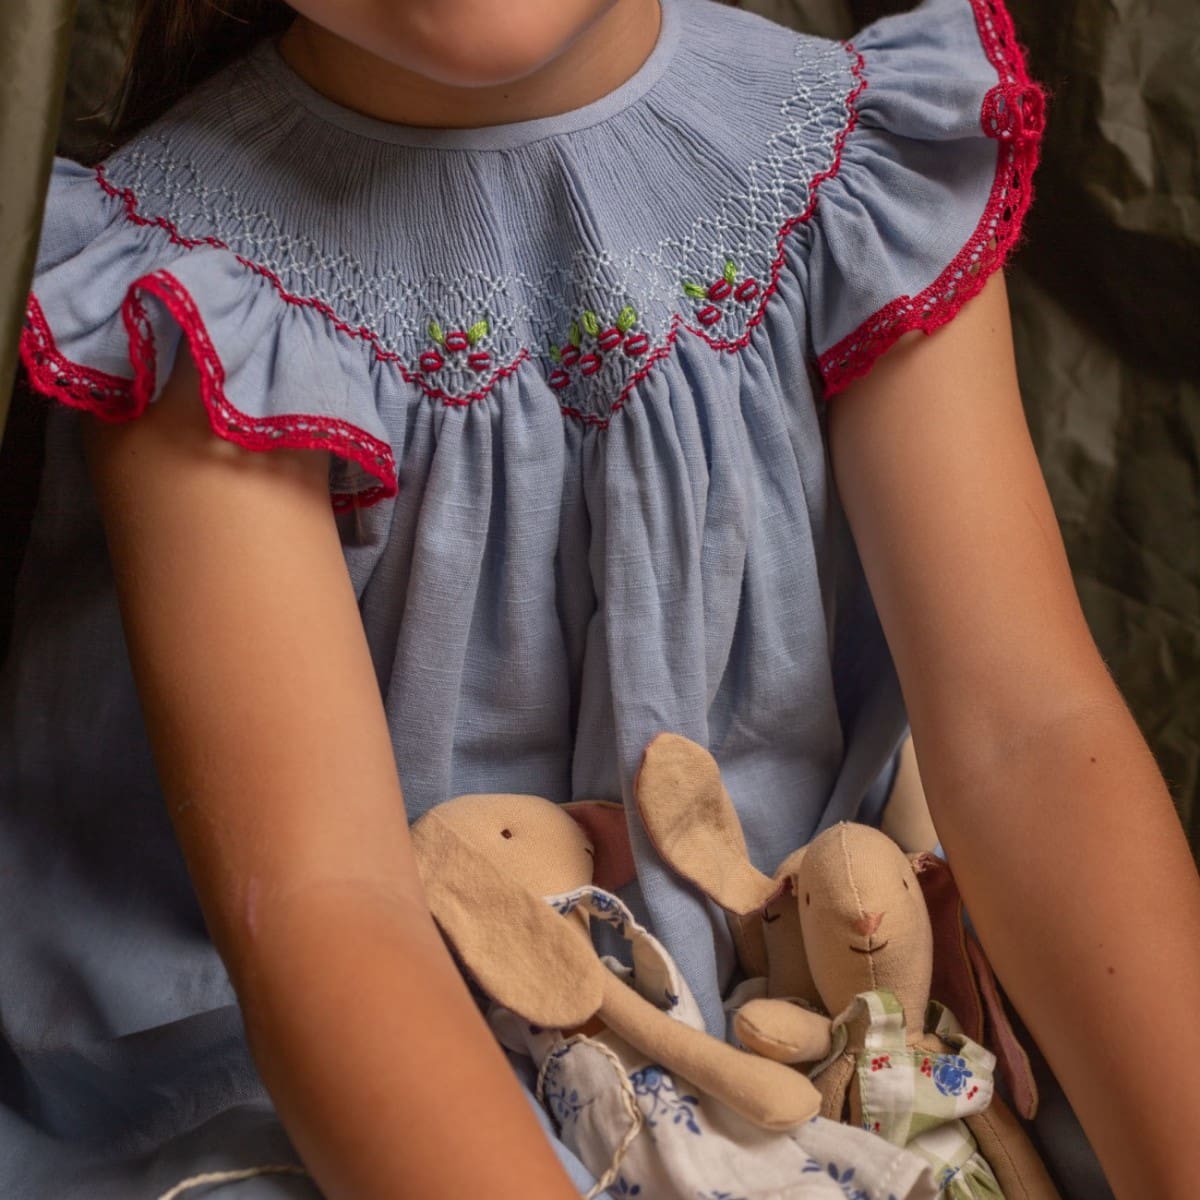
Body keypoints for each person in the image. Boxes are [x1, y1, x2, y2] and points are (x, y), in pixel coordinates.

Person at [3, 0, 1198, 1196]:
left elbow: (1030, 740)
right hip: (379, 1103)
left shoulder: (855, 163)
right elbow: (325, 916)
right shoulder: (198, 285)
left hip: (794, 1005)